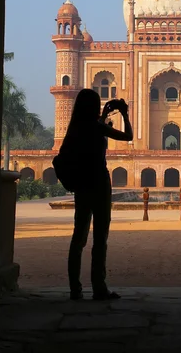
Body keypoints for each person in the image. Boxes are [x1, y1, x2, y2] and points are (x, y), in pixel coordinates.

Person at [61, 88, 133, 300]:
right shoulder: (96, 127)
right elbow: (128, 136)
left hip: (82, 185)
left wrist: (103, 116)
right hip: (99, 184)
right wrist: (124, 114)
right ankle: (99, 287)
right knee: (100, 238)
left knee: (78, 237)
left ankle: (75, 288)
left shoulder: (76, 128)